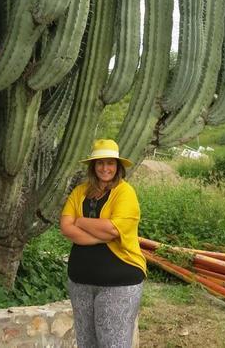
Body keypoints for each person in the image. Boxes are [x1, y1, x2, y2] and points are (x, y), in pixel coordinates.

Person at [60, 139, 146, 348]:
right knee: (86, 342)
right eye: (100, 163)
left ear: (118, 167)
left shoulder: (125, 193)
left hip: (119, 283)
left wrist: (80, 222)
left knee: (113, 343)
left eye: (110, 163)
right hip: (80, 282)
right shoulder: (79, 192)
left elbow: (114, 229)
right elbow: (66, 227)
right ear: (93, 166)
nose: (105, 168)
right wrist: (100, 233)